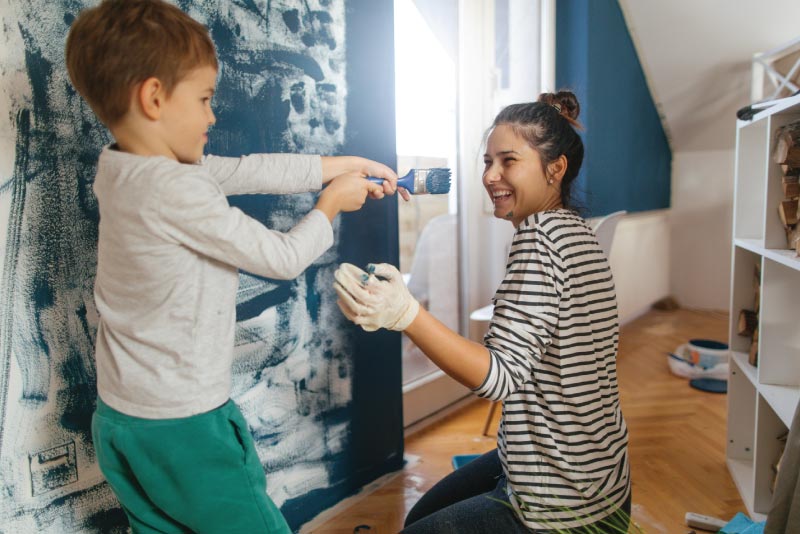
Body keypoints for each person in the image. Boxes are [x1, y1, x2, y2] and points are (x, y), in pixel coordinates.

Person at [64, 1, 403, 532]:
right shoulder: (178, 190)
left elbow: (247, 170)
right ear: (154, 97)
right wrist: (331, 204)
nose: (212, 115)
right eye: (203, 99)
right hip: (185, 425)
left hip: (121, 418)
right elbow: (283, 257)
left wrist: (340, 166)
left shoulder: (123, 169)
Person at [334, 92, 631, 533]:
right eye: (487, 162)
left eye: (507, 161)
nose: (490, 176)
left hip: (563, 503)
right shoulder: (576, 231)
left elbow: (498, 379)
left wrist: (405, 314)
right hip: (603, 475)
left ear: (556, 169)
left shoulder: (538, 240)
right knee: (420, 515)